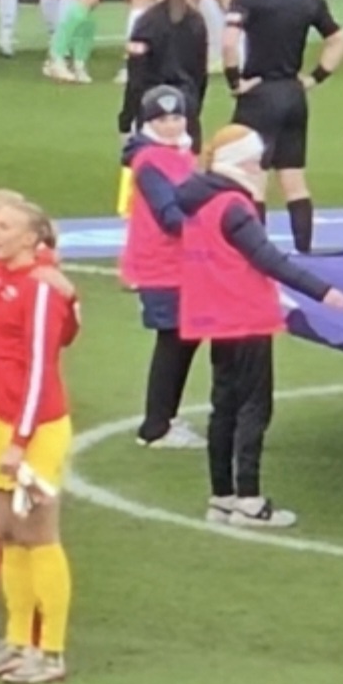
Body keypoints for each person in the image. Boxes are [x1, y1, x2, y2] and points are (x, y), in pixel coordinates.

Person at [176, 127, 343, 529]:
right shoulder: (234, 206)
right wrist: (322, 291)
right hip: (245, 315)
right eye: (257, 161)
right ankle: (250, 500)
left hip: (215, 315)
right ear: (242, 162)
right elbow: (268, 258)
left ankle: (222, 496)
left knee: (223, 405)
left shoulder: (199, 201)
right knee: (254, 406)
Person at [0, 199, 75, 684]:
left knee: (38, 536)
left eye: (5, 225)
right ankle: (18, 641)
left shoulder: (37, 289)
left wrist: (20, 439)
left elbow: (39, 369)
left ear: (33, 239)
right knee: (8, 536)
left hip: (31, 429)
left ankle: (50, 651)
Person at [224, 0, 343, 253]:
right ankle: (305, 252)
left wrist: (234, 81)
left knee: (254, 180)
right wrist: (314, 78)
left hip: (259, 93)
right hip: (293, 93)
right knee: (294, 179)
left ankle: (256, 254)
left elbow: (228, 42)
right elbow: (339, 41)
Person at [120, 86, 204, 450]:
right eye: (162, 119)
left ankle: (163, 418)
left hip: (181, 263)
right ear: (148, 122)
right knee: (173, 340)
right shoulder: (151, 161)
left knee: (183, 338)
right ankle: (156, 425)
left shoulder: (177, 153)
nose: (171, 125)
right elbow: (170, 215)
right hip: (163, 265)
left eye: (176, 117)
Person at [119, 0, 208, 147]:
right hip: (186, 106)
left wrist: (126, 120)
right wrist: (193, 110)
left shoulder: (146, 22)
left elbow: (136, 79)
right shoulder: (196, 21)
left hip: (153, 108)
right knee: (187, 175)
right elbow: (201, 74)